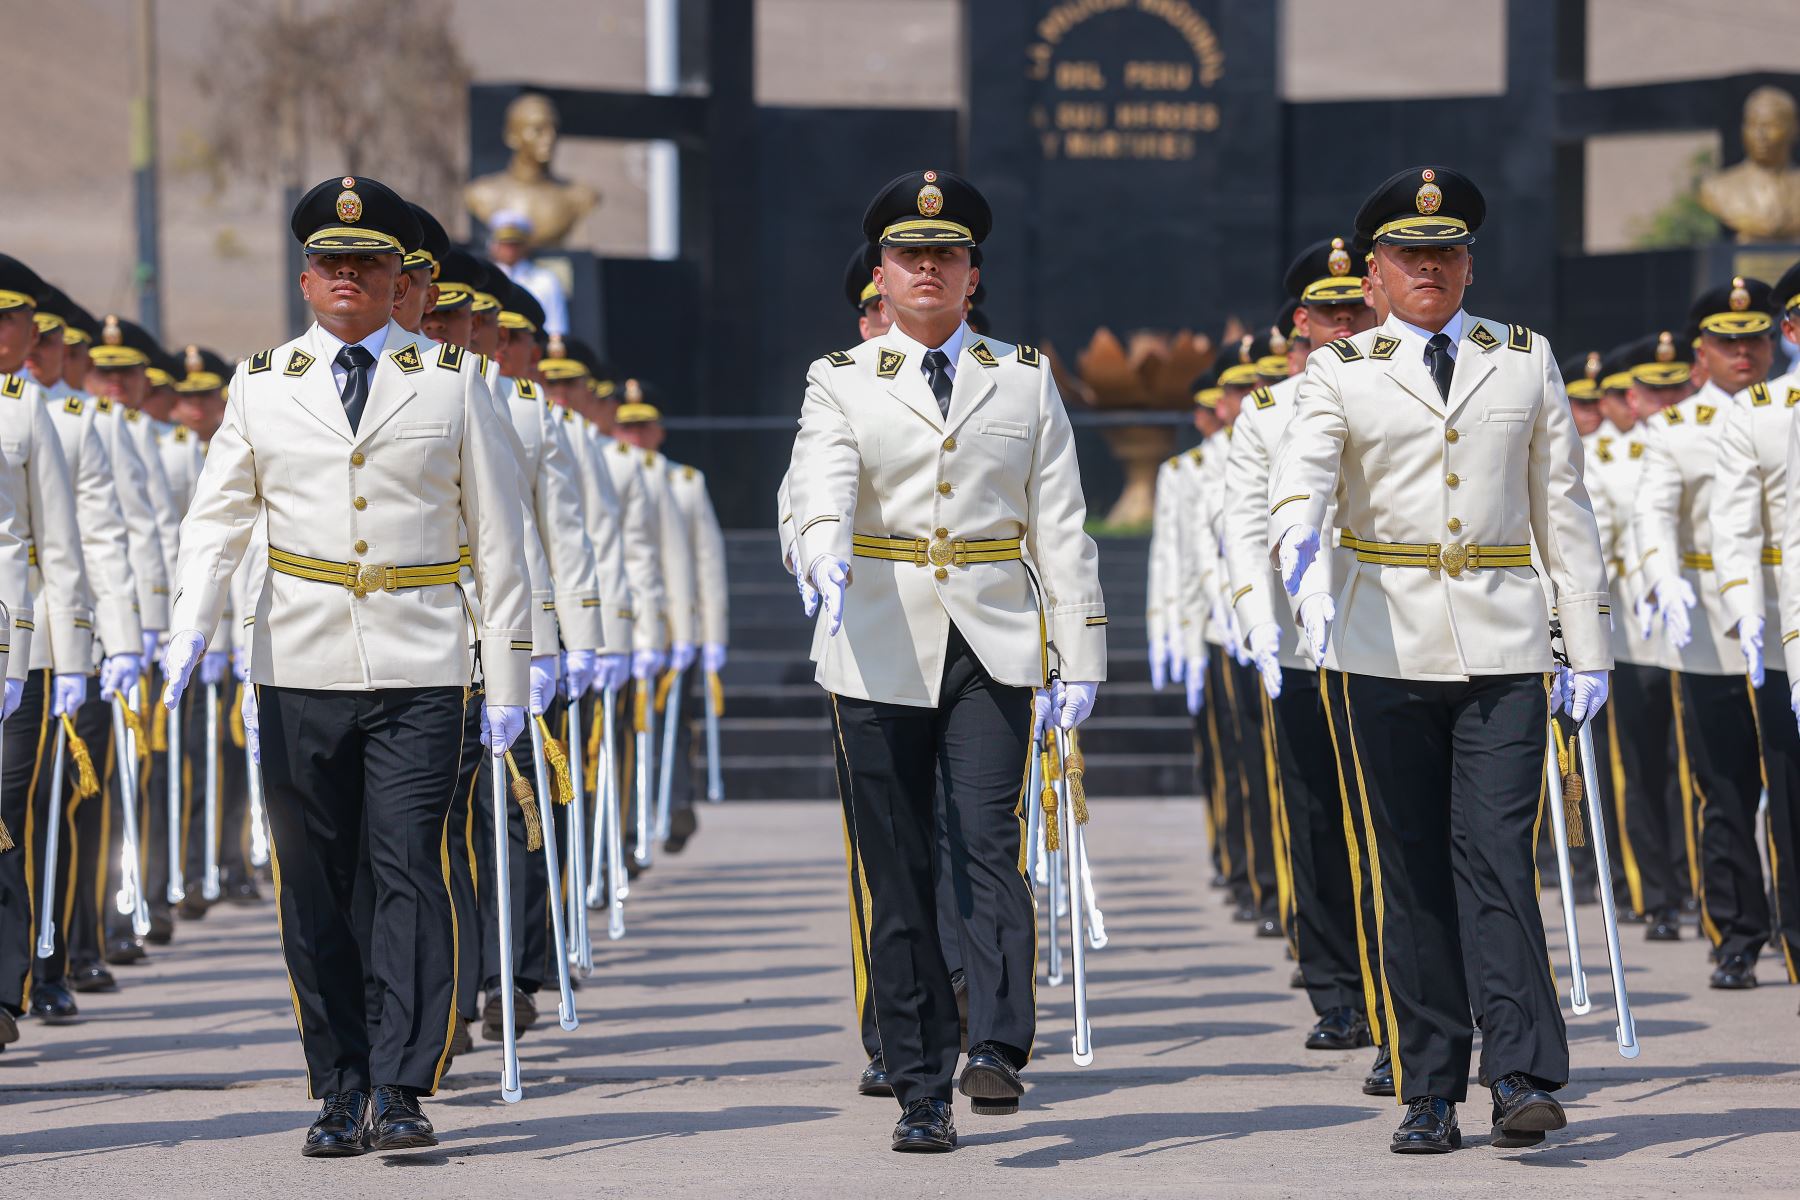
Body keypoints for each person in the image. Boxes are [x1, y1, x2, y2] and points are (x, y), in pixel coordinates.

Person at [159, 175, 532, 1156]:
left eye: (367, 265)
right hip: (299, 661)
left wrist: (509, 677)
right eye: (331, 264)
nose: (348, 279)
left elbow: (501, 541)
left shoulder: (452, 380)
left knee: (409, 866)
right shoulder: (261, 383)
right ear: (305, 279)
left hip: (421, 661)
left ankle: (403, 1084)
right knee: (315, 882)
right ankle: (338, 1084)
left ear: (398, 278)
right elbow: (217, 518)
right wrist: (189, 627)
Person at [1269, 166, 1611, 1153]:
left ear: (1469, 265)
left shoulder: (1524, 359)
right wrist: (1299, 548)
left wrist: (1586, 644)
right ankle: (1428, 1088)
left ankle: (1522, 1074)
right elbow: (1305, 473)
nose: (1430, 266)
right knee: (1411, 865)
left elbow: (1563, 508)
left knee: (1498, 855)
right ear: (1375, 273)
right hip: (1385, 640)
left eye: (1447, 252)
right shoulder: (1342, 368)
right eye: (1410, 254)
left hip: (1505, 642)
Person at [786, 169, 1106, 1152]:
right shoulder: (841, 378)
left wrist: (1080, 649)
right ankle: (919, 1084)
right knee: (898, 866)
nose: (928, 268)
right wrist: (819, 548)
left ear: (973, 274)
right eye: (909, 254)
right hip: (877, 637)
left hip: (992, 637)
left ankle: (997, 1043)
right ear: (881, 275)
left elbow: (1060, 523)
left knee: (986, 839)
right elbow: (819, 478)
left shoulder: (1024, 377)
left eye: (947, 255)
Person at [1224, 238, 1388, 1085]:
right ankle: (1337, 992)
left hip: (1386, 633)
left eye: (1355, 308)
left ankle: (1401, 999)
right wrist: (1259, 620)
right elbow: (1246, 525)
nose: (1345, 323)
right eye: (1330, 313)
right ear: (1302, 322)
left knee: (1389, 820)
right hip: (1300, 643)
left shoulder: (1402, 383)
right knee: (1317, 815)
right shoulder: (1267, 410)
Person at [1637, 277, 1780, 990]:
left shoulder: (1787, 410)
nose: (1742, 353)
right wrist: (1663, 578)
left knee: (1790, 783)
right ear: (1703, 352)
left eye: (1754, 340)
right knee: (1722, 787)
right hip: (1709, 625)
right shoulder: (1674, 427)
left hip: (1783, 610)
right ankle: (1736, 934)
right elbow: (1654, 514)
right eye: (1727, 342)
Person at [18, 285, 145, 1012]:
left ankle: (59, 955)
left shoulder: (79, 420)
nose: (33, 352)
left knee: (58, 804)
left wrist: (125, 638)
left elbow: (107, 535)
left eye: (43, 340)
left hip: (60, 635)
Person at [0, 254, 98, 1040]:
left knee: (7, 816)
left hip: (13, 652)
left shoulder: (24, 409)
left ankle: (10, 987)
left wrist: (74, 658)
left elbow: (61, 545)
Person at [1716, 260, 1800, 983]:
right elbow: (1737, 524)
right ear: (1793, 330)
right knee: (1790, 793)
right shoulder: (1759, 412)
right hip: (1786, 626)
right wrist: (1745, 608)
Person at [613, 394, 727, 852]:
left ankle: (676, 801)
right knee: (626, 726)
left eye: (643, 427)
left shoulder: (684, 482)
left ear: (658, 432)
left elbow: (706, 561)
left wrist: (711, 634)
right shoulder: (606, 470)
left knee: (674, 722)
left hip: (673, 625)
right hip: (624, 622)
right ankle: (632, 822)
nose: (635, 435)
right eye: (627, 426)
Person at [490, 209, 570, 336]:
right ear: (494, 246)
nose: (510, 250)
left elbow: (556, 328)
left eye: (515, 244)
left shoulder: (546, 280)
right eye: (505, 244)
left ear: (525, 246)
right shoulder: (487, 278)